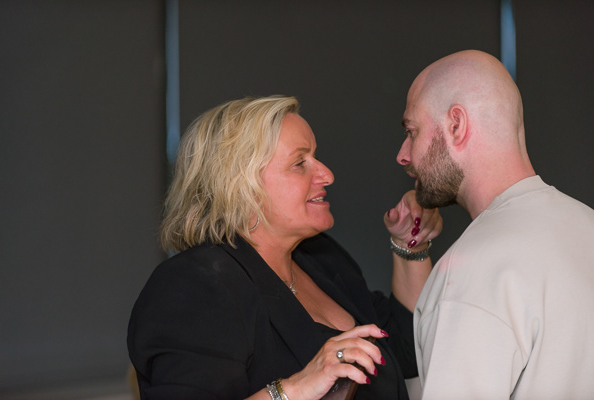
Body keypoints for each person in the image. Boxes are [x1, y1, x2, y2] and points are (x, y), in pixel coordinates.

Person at [128, 95, 441, 400]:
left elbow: (408, 350)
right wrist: (293, 390)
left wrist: (410, 244)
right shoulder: (195, 284)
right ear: (241, 187)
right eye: (299, 163)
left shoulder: (320, 257)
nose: (327, 175)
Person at [396, 49, 594, 399]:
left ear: (456, 125)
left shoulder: (472, 273)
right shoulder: (587, 225)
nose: (403, 154)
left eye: (412, 131)